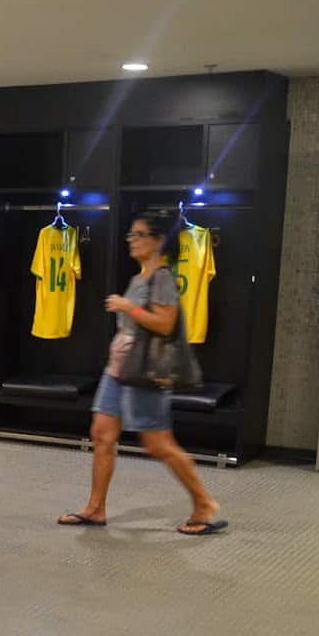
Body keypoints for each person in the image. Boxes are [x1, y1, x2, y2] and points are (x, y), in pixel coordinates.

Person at [58, 212, 227, 535]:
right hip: (118, 370)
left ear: (158, 240)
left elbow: (164, 324)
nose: (131, 241)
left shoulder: (161, 277)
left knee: (158, 444)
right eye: (131, 235)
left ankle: (205, 504)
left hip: (144, 372)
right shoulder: (139, 278)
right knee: (102, 434)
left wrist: (126, 307)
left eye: (138, 235)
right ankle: (95, 508)